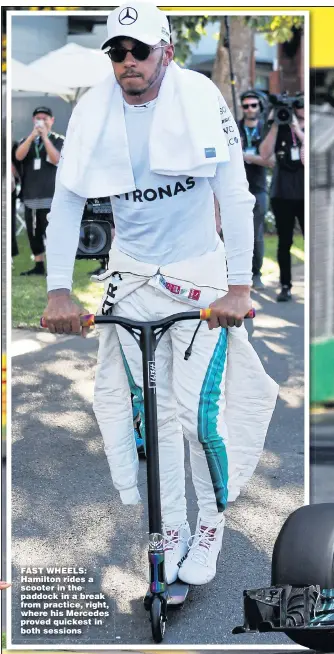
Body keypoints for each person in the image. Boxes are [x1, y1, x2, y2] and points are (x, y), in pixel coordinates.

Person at [43, 2, 278, 587]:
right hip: (132, 275)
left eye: (138, 51)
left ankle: (210, 527)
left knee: (199, 419)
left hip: (198, 277)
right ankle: (170, 528)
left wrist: (239, 286)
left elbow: (239, 195)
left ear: (165, 52)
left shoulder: (202, 97)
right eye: (116, 53)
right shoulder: (95, 109)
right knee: (152, 417)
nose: (127, 63)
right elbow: (68, 203)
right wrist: (57, 291)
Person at [259, 95, 304, 302]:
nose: (300, 108)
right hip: (282, 193)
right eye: (297, 105)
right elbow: (265, 154)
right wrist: (276, 124)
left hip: (306, 193)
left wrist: (297, 129)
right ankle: (285, 285)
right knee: (284, 242)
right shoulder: (280, 125)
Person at [15, 107, 64, 276]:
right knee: (34, 233)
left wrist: (44, 136)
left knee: (53, 234)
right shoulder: (26, 140)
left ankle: (56, 267)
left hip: (52, 197)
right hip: (31, 197)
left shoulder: (58, 140)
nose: (41, 121)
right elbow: (19, 156)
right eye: (37, 118)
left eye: (44, 118)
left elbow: (56, 158)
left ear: (52, 120)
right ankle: (38, 265)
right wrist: (32, 137)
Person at [238, 90, 274, 289]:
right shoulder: (235, 128)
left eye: (253, 105)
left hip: (258, 189)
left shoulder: (265, 130)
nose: (250, 109)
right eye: (246, 106)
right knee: (233, 233)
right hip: (236, 189)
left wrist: (246, 156)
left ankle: (255, 274)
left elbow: (271, 161)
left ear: (259, 107)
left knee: (255, 234)